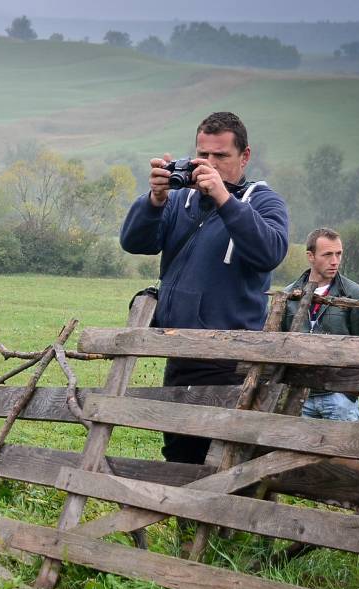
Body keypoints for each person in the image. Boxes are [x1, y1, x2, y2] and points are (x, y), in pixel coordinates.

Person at [120, 111, 290, 464]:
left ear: (244, 157)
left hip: (231, 360)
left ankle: (220, 520)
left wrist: (224, 199)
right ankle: (185, 520)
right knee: (180, 454)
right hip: (179, 352)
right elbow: (135, 241)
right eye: (203, 155)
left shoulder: (262, 201)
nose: (209, 165)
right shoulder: (180, 200)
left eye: (221, 156)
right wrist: (154, 200)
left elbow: (270, 251)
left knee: (225, 458)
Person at [282, 227, 359, 422]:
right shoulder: (289, 295)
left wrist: (348, 392)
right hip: (298, 397)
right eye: (327, 254)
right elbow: (276, 345)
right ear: (310, 256)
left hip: (339, 398)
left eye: (339, 254)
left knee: (344, 451)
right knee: (295, 452)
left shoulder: (354, 295)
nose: (335, 261)